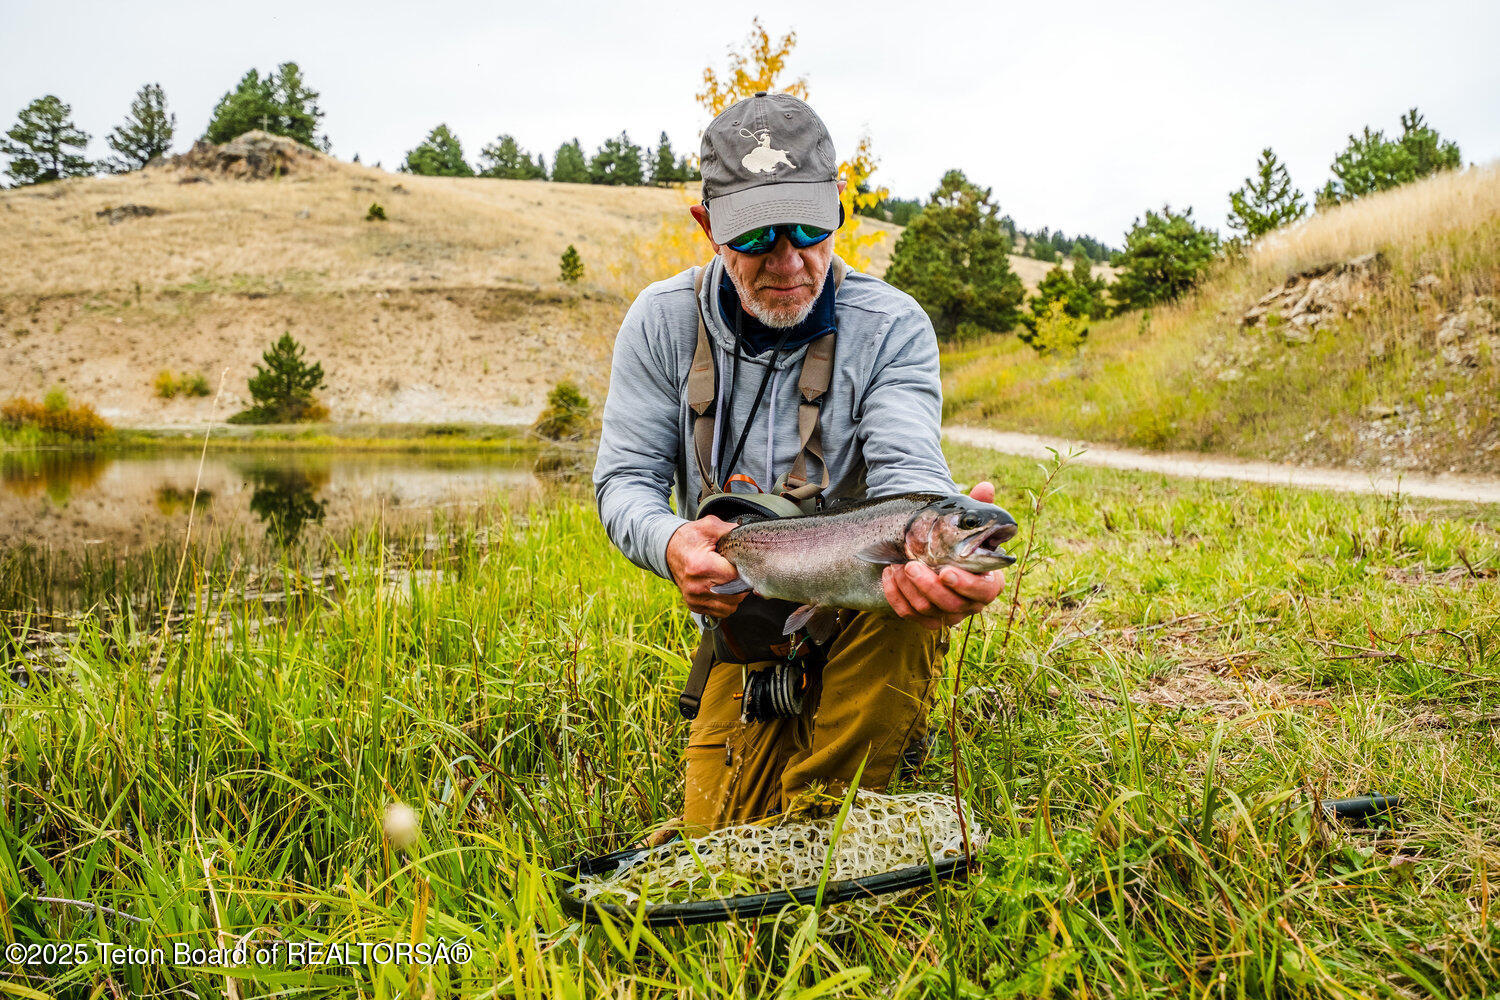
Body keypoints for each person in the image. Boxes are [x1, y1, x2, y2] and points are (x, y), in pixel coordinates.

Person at [593, 92, 1003, 833]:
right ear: (708, 227)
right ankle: (799, 782)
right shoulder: (660, 323)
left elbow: (910, 474)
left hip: (865, 618)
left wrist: (944, 549)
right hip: (747, 630)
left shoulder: (892, 327)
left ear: (840, 210)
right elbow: (625, 481)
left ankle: (823, 827)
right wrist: (670, 542)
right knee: (714, 842)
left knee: (903, 589)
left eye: (811, 229)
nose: (789, 261)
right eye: (757, 236)